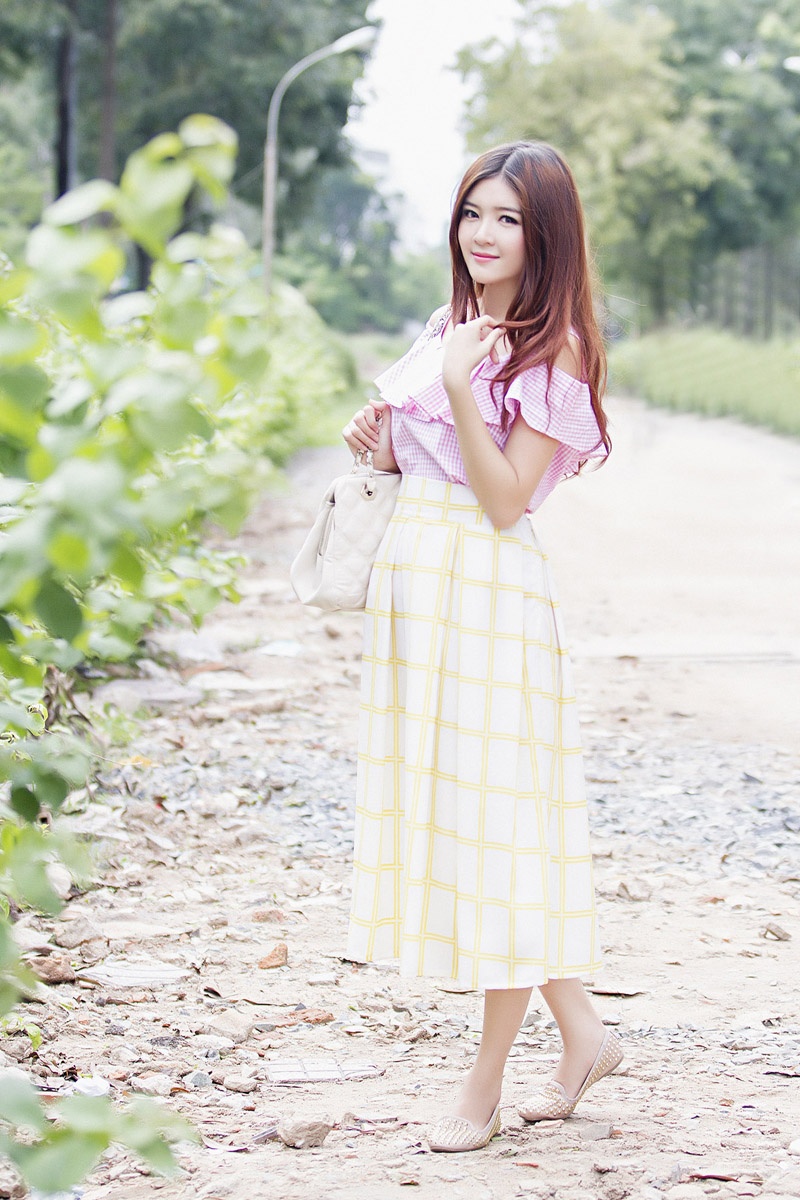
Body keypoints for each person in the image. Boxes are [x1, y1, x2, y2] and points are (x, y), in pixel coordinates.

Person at [341, 141, 622, 1154]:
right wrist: (382, 439)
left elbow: (503, 501)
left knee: (499, 832)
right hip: (419, 583)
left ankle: (484, 1083)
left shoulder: (555, 353)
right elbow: (426, 464)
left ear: (545, 236)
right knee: (468, 826)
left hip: (488, 591)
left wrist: (461, 388)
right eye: (472, 213)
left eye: (507, 218)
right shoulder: (445, 327)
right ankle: (583, 1035)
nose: (484, 234)